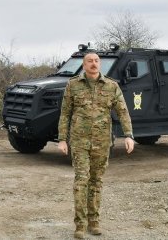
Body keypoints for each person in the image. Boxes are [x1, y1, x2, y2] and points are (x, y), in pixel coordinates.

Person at [57, 52, 134, 239]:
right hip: (79, 141)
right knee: (81, 180)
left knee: (96, 182)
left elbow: (123, 112)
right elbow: (65, 113)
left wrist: (129, 135)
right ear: (83, 65)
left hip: (102, 142)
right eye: (90, 61)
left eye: (96, 61)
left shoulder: (111, 86)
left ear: (101, 64)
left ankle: (94, 222)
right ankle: (80, 225)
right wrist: (61, 139)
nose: (93, 64)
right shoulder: (73, 85)